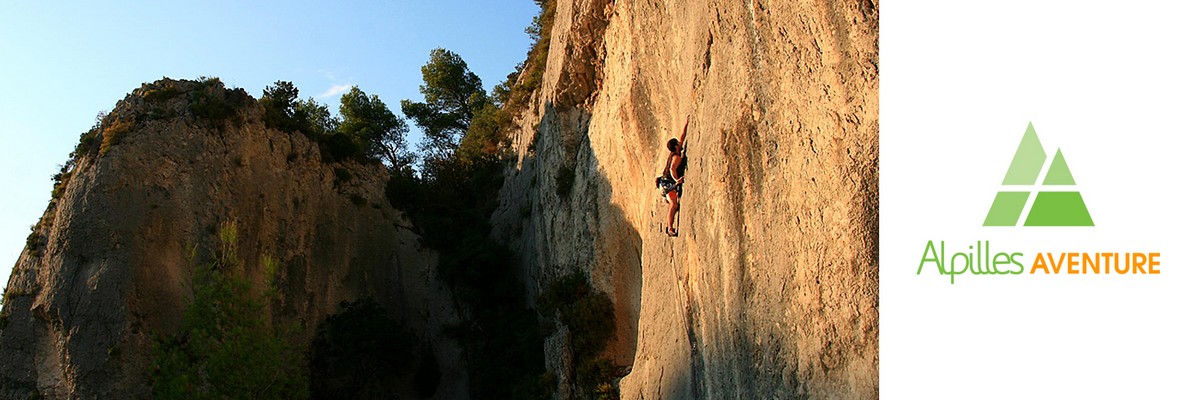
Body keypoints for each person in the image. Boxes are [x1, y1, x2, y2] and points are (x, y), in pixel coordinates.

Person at [657, 116, 689, 237]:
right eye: (678, 144)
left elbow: (682, 135)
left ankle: (669, 227)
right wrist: (677, 181)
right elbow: (672, 169)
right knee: (674, 205)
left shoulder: (675, 151)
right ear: (676, 146)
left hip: (664, 183)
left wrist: (686, 124)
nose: (680, 144)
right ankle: (670, 228)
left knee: (673, 205)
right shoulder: (676, 157)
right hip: (667, 183)